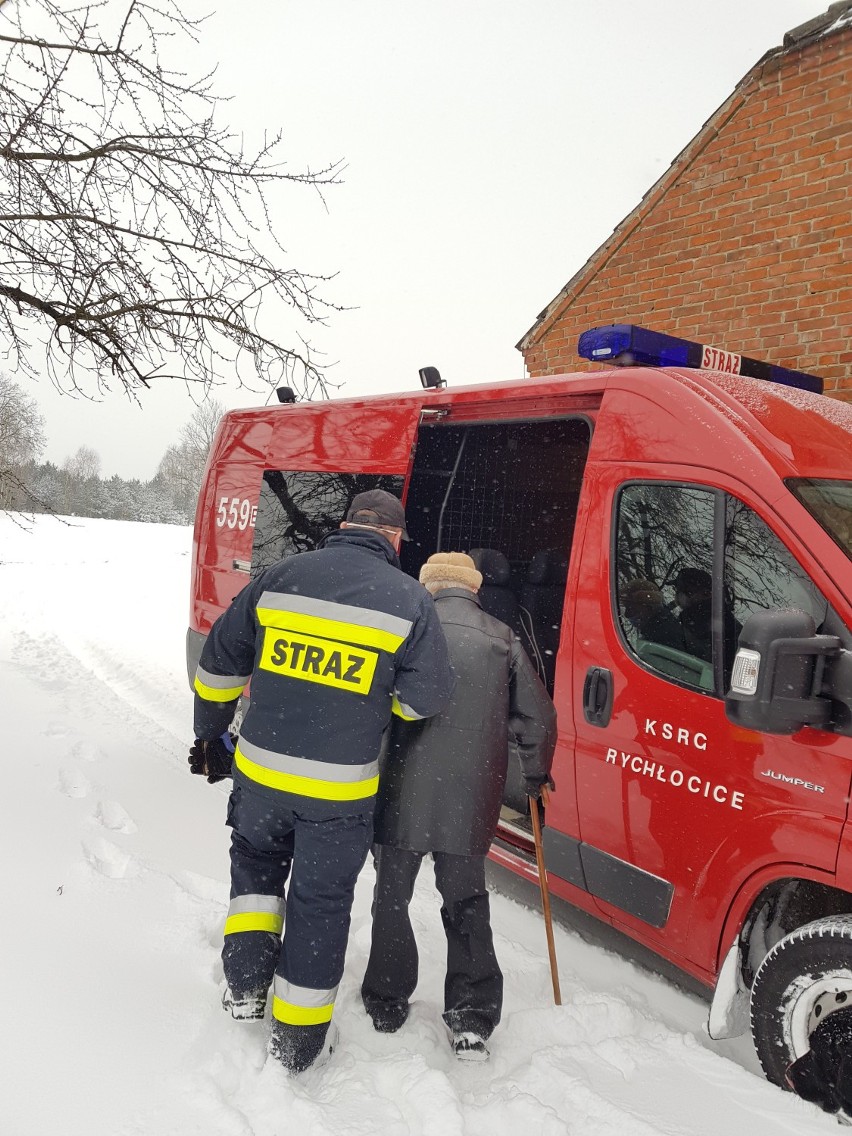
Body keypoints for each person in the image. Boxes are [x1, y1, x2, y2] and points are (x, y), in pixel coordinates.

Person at [188, 490, 454, 1075]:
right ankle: (299, 1042)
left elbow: (218, 664)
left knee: (255, 877)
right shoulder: (409, 600)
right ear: (395, 538)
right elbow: (424, 700)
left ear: (343, 526)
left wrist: (210, 736)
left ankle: (246, 988)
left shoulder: (280, 577)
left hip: (260, 777)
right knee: (320, 905)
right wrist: (373, 704)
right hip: (337, 796)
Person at [361, 551, 557, 1061]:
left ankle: (386, 1000)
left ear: (427, 586)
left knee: (391, 897)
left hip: (401, 792)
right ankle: (471, 1017)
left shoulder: (400, 629)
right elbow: (538, 720)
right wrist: (533, 780)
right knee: (466, 902)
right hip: (468, 799)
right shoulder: (501, 637)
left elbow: (367, 707)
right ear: (472, 589)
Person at [621, 577, 686, 651]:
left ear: (649, 607)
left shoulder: (663, 635)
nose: (626, 614)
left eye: (631, 608)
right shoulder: (656, 629)